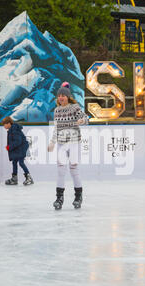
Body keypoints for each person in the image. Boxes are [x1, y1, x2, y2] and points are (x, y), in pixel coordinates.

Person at [48, 82, 88, 210]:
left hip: (74, 142)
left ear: (67, 97)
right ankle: (59, 198)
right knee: (60, 170)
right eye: (59, 96)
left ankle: (78, 196)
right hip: (61, 142)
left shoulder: (74, 107)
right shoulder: (57, 110)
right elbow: (56, 128)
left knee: (73, 169)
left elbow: (85, 118)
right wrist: (52, 142)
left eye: (63, 96)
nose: (61, 98)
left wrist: (82, 121)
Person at [2, 116, 33, 186]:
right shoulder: (11, 130)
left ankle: (29, 178)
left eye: (4, 124)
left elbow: (18, 141)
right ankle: (14, 178)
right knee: (14, 162)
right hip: (18, 148)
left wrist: (9, 147)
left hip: (21, 148)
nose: (4, 126)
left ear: (9, 123)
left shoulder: (14, 129)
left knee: (21, 162)